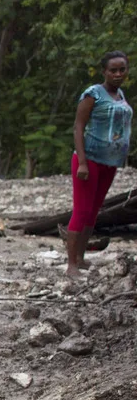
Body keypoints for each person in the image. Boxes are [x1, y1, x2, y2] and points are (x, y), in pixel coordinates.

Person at [67, 50, 133, 277]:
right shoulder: (93, 94)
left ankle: (81, 258)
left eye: (121, 69)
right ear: (104, 71)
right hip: (90, 160)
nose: (117, 74)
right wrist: (82, 162)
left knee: (94, 211)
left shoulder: (120, 95)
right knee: (82, 210)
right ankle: (71, 265)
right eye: (113, 70)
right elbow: (78, 127)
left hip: (109, 163)